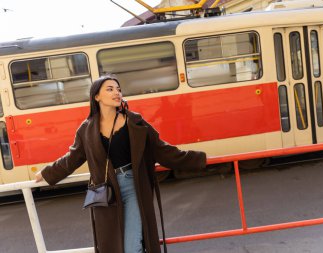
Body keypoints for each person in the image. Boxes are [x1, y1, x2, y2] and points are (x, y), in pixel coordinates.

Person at [35, 75, 207, 253]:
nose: (116, 92)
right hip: (106, 192)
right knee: (113, 246)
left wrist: (199, 159)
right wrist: (46, 173)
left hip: (134, 186)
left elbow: (162, 150)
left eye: (118, 89)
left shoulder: (135, 122)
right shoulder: (87, 129)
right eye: (110, 89)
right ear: (96, 96)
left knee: (132, 246)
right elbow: (72, 158)